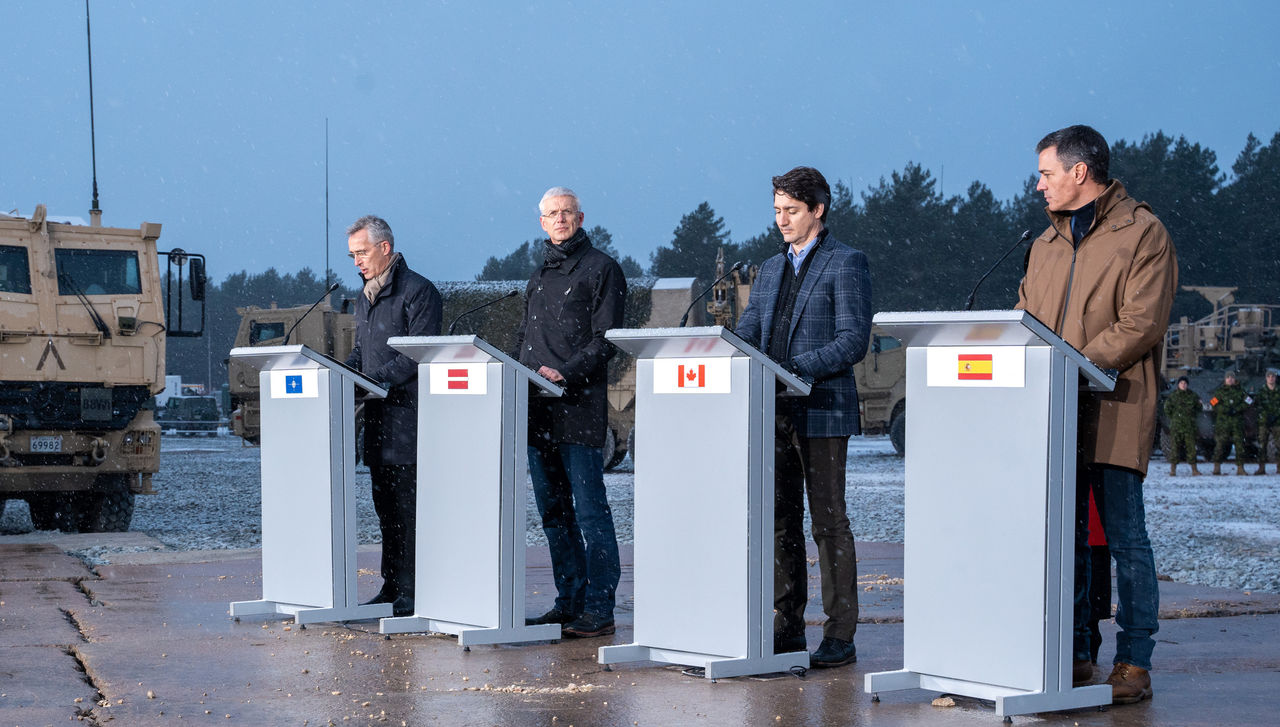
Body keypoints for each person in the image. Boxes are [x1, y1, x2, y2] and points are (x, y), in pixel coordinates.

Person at [1016, 125, 1177, 704]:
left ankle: (1134, 660)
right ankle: (1078, 651)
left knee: (1125, 539)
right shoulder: (1045, 244)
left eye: (1046, 173)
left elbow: (1142, 323)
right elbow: (1025, 320)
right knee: (1068, 540)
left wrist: (1072, 365)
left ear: (1079, 172)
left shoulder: (1142, 233)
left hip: (1114, 408)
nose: (1039, 185)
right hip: (1055, 415)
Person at [735, 166, 872, 668]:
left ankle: (840, 635)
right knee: (779, 522)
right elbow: (751, 328)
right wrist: (722, 346)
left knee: (829, 523)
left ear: (818, 210)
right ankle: (787, 626)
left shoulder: (846, 263)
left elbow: (853, 340)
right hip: (774, 411)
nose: (782, 220)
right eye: (776, 211)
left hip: (821, 410)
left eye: (791, 210)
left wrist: (796, 371)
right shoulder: (770, 270)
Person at [516, 187, 627, 638]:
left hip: (577, 409)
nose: (559, 219)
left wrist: (563, 374)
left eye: (566, 212)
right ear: (541, 222)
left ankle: (600, 608)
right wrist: (516, 374)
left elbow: (607, 341)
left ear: (580, 218)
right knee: (553, 515)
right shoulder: (538, 275)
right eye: (551, 214)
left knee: (590, 514)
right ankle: (569, 601)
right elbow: (525, 338)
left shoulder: (603, 269)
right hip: (535, 412)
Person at [344, 215, 442, 617]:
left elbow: (414, 357)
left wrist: (367, 382)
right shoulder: (364, 296)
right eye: (352, 255)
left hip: (412, 423)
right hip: (378, 425)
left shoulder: (418, 292)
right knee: (386, 511)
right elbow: (359, 354)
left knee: (410, 512)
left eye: (362, 253)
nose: (356, 262)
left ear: (385, 248)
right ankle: (393, 586)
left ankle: (417, 592)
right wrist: (340, 375)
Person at [1210, 372, 1249, 475]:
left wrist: (1237, 409)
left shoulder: (1240, 391)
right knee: (1220, 445)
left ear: (1234, 379)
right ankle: (1217, 467)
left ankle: (1240, 468)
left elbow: (1248, 401)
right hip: (1223, 423)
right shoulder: (1219, 392)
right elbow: (1213, 403)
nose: (1230, 379)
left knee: (1239, 446)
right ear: (1225, 380)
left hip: (1237, 423)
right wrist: (1224, 409)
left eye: (1232, 377)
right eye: (1228, 377)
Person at [1164, 376, 1202, 476]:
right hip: (1177, 427)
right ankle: (1173, 470)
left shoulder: (1193, 396)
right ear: (1178, 385)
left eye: (1185, 383)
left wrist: (1191, 417)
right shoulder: (1173, 396)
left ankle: (1194, 469)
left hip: (1189, 427)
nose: (1183, 385)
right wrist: (1175, 417)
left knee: (1191, 449)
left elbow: (1199, 408)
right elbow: (1167, 409)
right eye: (1181, 383)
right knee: (1175, 448)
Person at [1253, 370, 1279, 475]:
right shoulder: (1261, 392)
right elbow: (1257, 406)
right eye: (1269, 376)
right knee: (1262, 446)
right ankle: (1261, 468)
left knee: (1279, 445)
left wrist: (1276, 414)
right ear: (1266, 378)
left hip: (1278, 422)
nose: (1271, 378)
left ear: (1275, 378)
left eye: (1273, 376)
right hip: (1264, 422)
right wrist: (1265, 415)